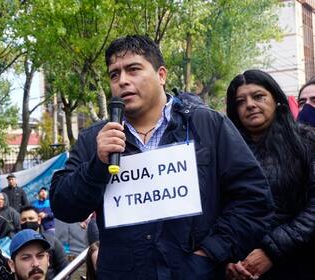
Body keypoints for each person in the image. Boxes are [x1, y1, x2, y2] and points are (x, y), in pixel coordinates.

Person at [50, 34, 274, 279]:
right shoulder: (94, 138)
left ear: (161, 75)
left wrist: (212, 252)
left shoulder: (208, 124)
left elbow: (254, 201)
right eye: (114, 74)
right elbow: (63, 206)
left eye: (133, 69)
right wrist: (96, 166)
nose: (122, 81)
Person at [225, 69, 315, 279]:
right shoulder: (223, 151)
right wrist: (224, 256)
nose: (249, 105)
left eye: (258, 96)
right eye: (240, 101)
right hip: (241, 267)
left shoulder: (307, 142)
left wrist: (271, 251)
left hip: (297, 263)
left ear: (276, 100)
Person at [19, 205, 68, 280]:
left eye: (31, 218)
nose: (27, 222)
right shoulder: (16, 245)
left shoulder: (52, 241)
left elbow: (65, 269)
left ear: (39, 220)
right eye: (24, 219)